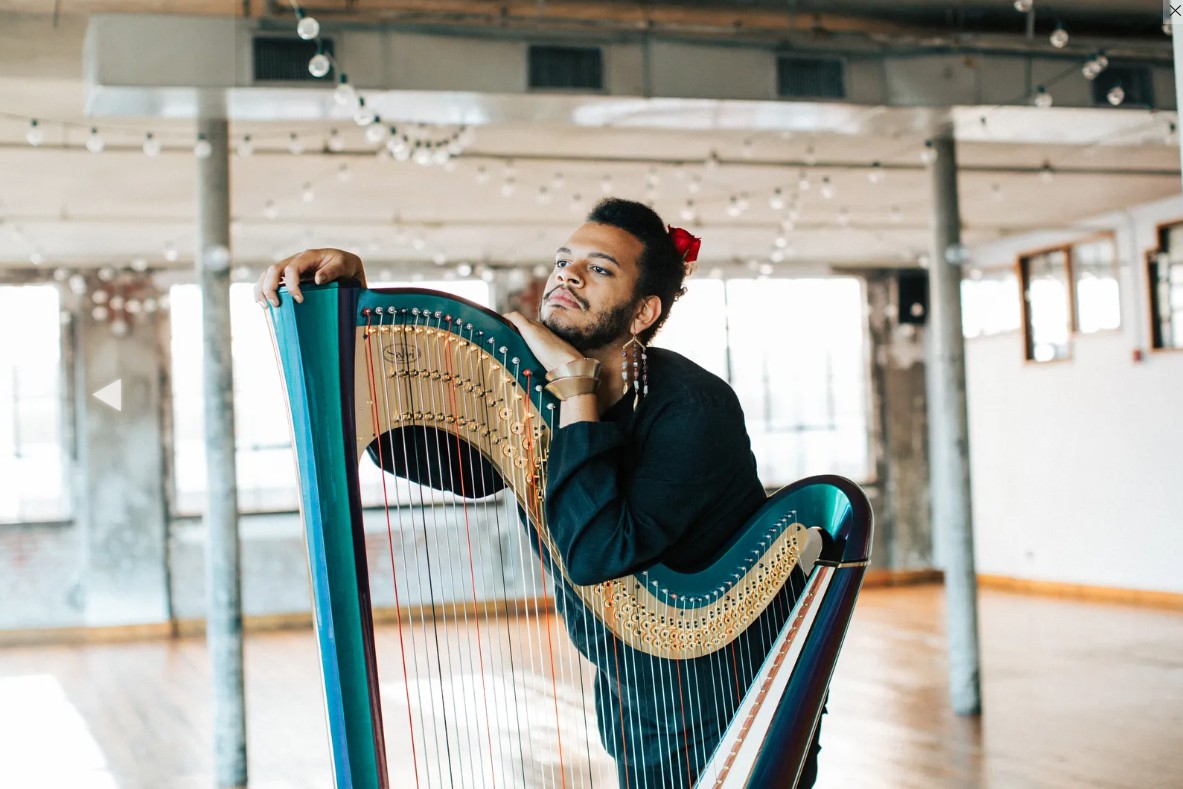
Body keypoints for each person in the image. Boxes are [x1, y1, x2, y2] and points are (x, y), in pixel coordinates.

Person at [254, 197, 821, 788]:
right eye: (562, 261)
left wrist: (576, 388)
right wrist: (355, 312)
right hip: (631, 683)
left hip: (735, 686)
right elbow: (454, 464)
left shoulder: (692, 407)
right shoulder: (534, 394)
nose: (567, 275)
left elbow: (598, 553)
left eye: (599, 269)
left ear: (643, 312)